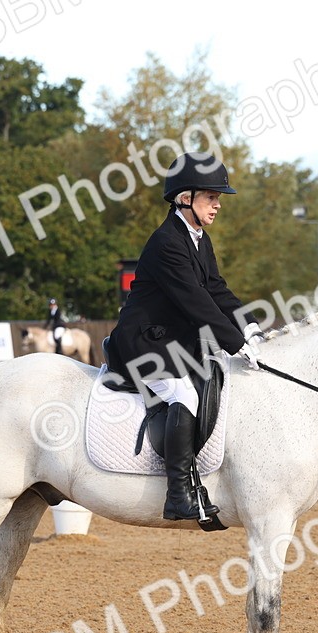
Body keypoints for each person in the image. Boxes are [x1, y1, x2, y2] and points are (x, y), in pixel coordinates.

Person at [106, 152, 264, 522]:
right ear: (184, 198)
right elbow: (197, 303)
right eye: (211, 196)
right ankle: (178, 493)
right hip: (142, 343)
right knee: (184, 393)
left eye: (217, 197)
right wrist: (236, 344)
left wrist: (251, 326)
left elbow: (217, 290)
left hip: (172, 341)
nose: (218, 204)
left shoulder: (198, 238)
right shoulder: (167, 243)